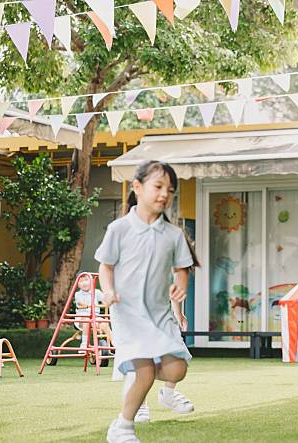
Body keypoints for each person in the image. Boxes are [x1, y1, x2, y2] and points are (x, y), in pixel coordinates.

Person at [96, 160, 199, 443]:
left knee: (177, 367)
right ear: (138, 188)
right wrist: (107, 291)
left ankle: (163, 392)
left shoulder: (174, 235)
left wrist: (180, 286)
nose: (165, 194)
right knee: (143, 370)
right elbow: (105, 266)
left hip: (160, 313)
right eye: (158, 186)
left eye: (170, 190)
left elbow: (181, 268)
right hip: (128, 313)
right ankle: (123, 427)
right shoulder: (119, 229)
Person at [127, 298, 194, 423]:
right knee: (141, 361)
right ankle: (140, 406)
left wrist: (178, 313)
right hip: (138, 318)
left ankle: (168, 395)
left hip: (164, 319)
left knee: (178, 355)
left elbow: (173, 290)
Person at [74, 274, 111, 352]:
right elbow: (80, 303)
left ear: (91, 281)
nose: (84, 283)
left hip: (95, 318)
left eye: (86, 280)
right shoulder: (78, 294)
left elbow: (105, 300)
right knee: (87, 320)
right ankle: (84, 344)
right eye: (81, 281)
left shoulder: (96, 292)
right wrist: (87, 306)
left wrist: (109, 300)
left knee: (104, 323)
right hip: (82, 319)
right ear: (77, 284)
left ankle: (113, 343)